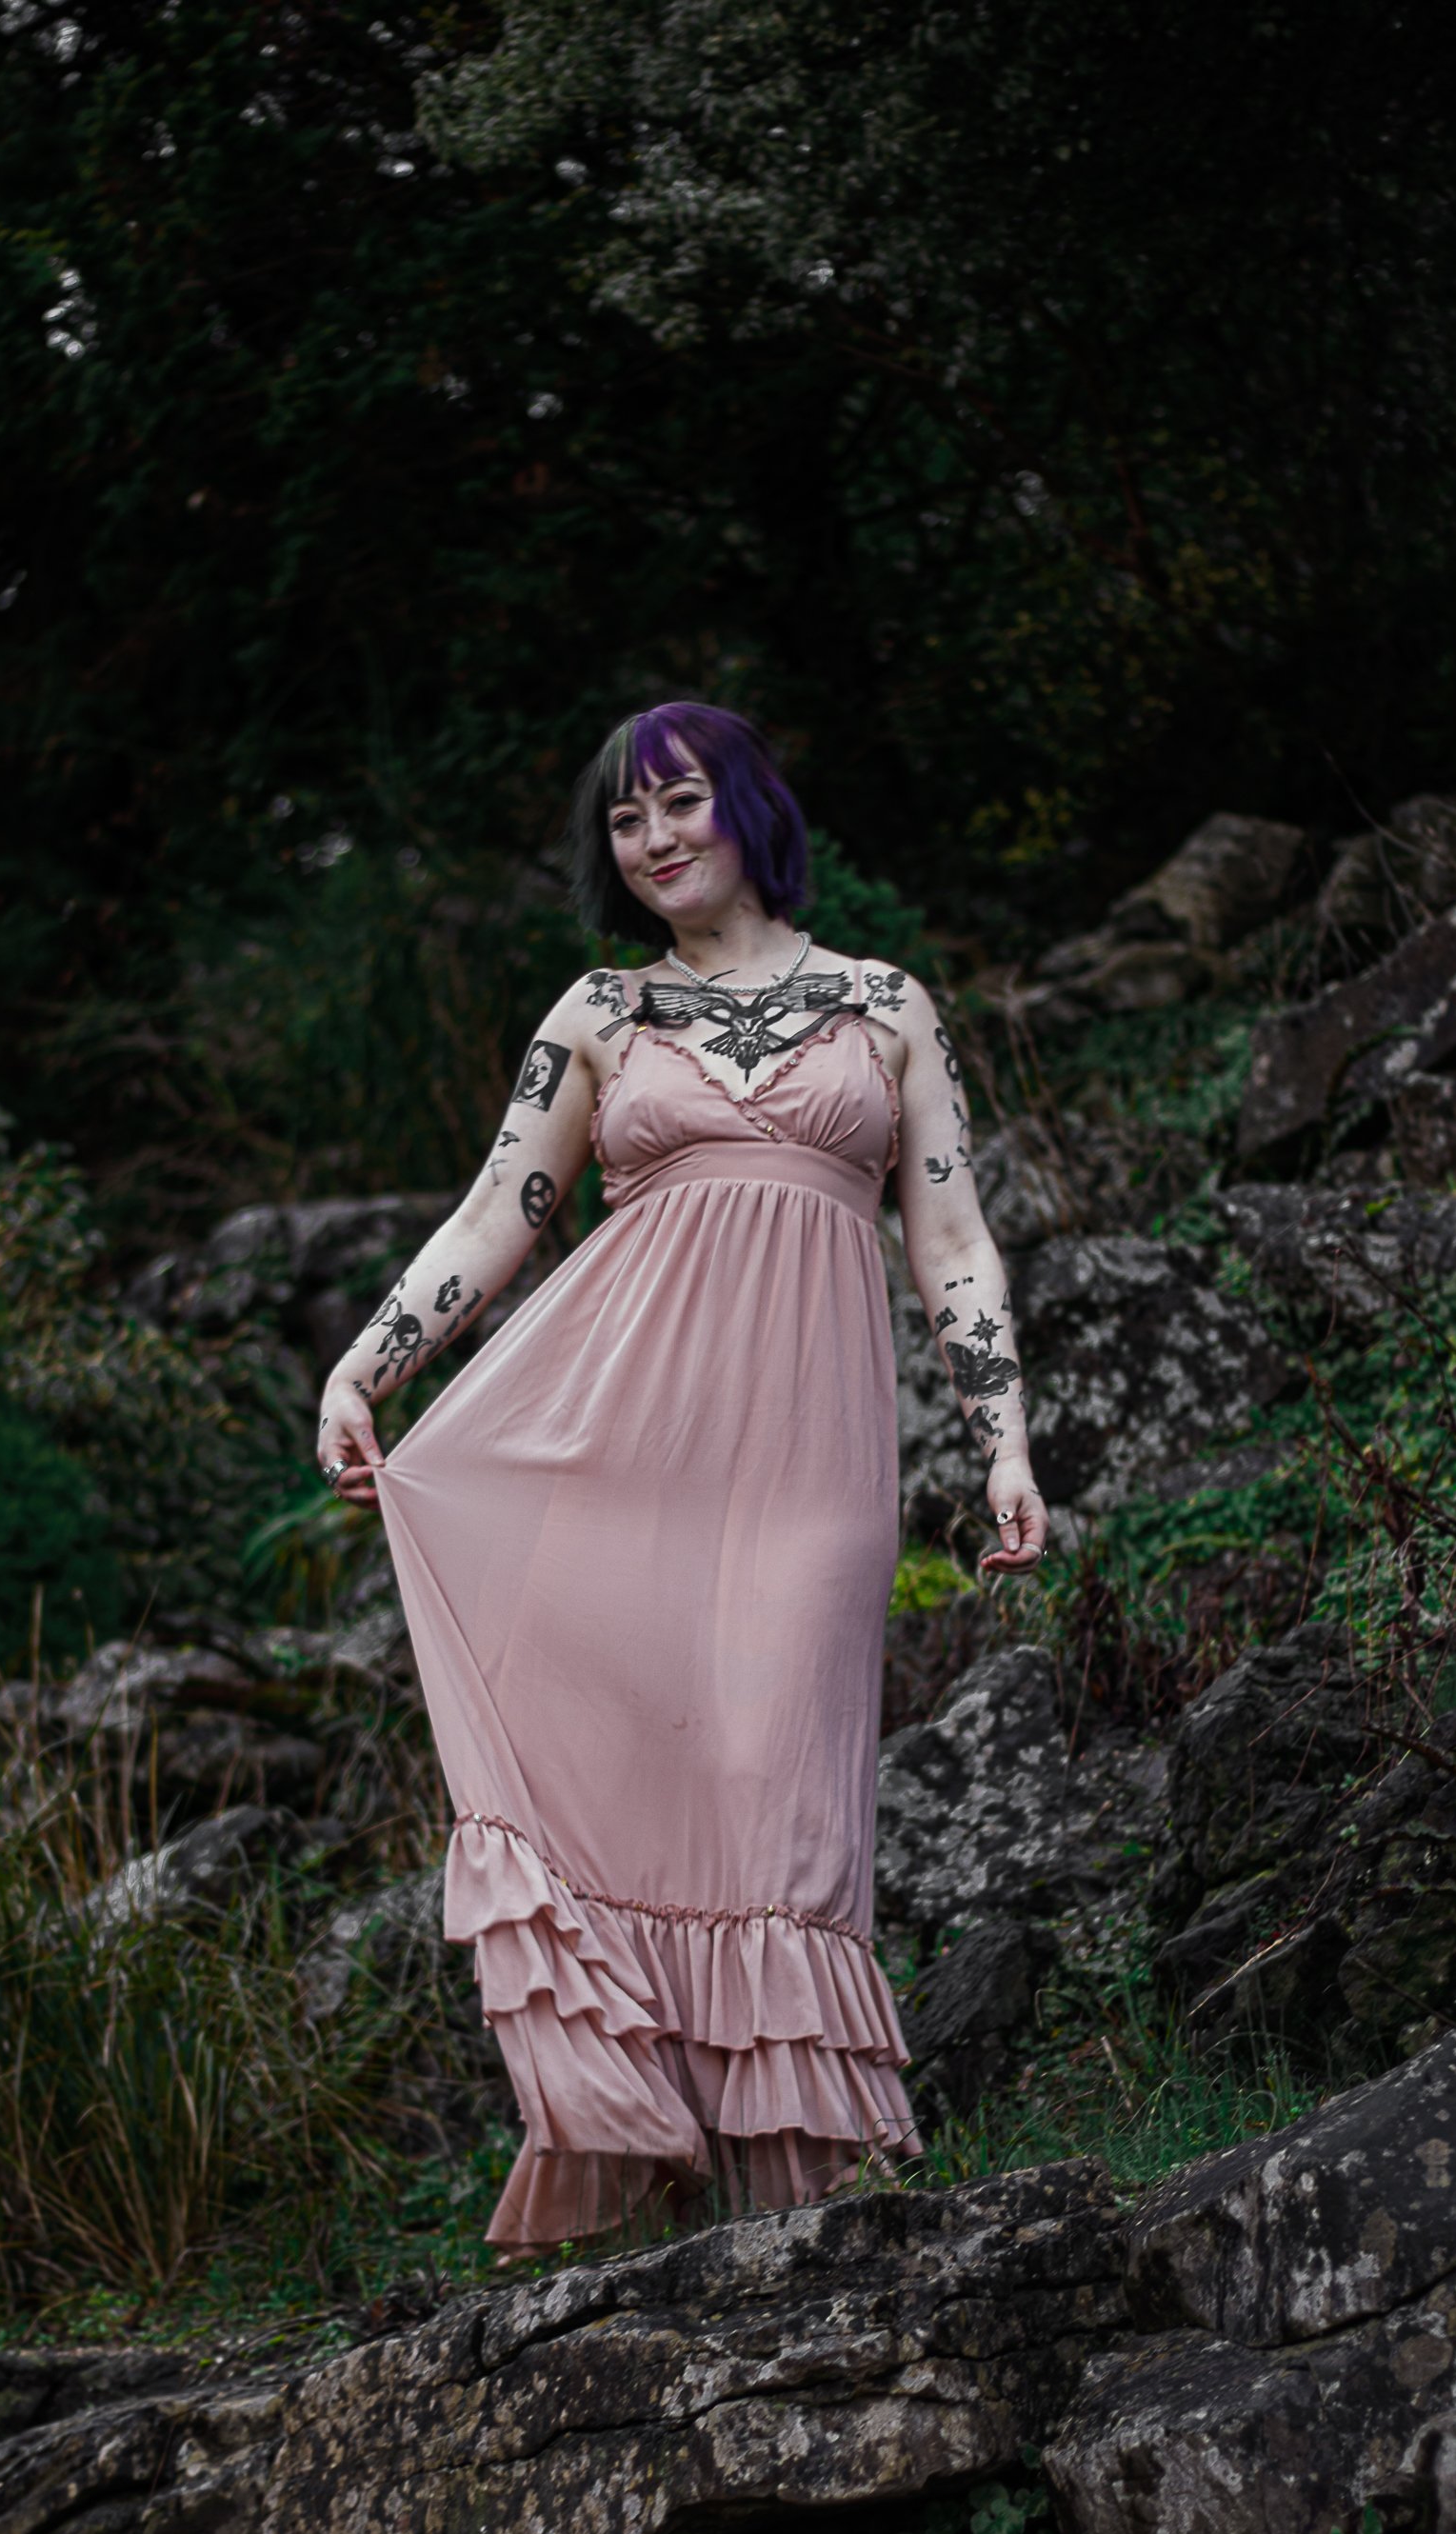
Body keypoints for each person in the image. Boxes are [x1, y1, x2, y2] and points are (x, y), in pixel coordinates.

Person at [316, 704, 1048, 2255]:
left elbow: (954, 1242)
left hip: (809, 1468)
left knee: (775, 1803)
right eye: (624, 823)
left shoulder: (886, 1007)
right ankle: (658, 2196)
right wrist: (364, 1367)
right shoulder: (598, 1016)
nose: (651, 841)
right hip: (621, 1450)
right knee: (640, 1776)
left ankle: (812, 2233)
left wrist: (1003, 1439)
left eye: (678, 804)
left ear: (748, 809)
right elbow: (494, 1219)